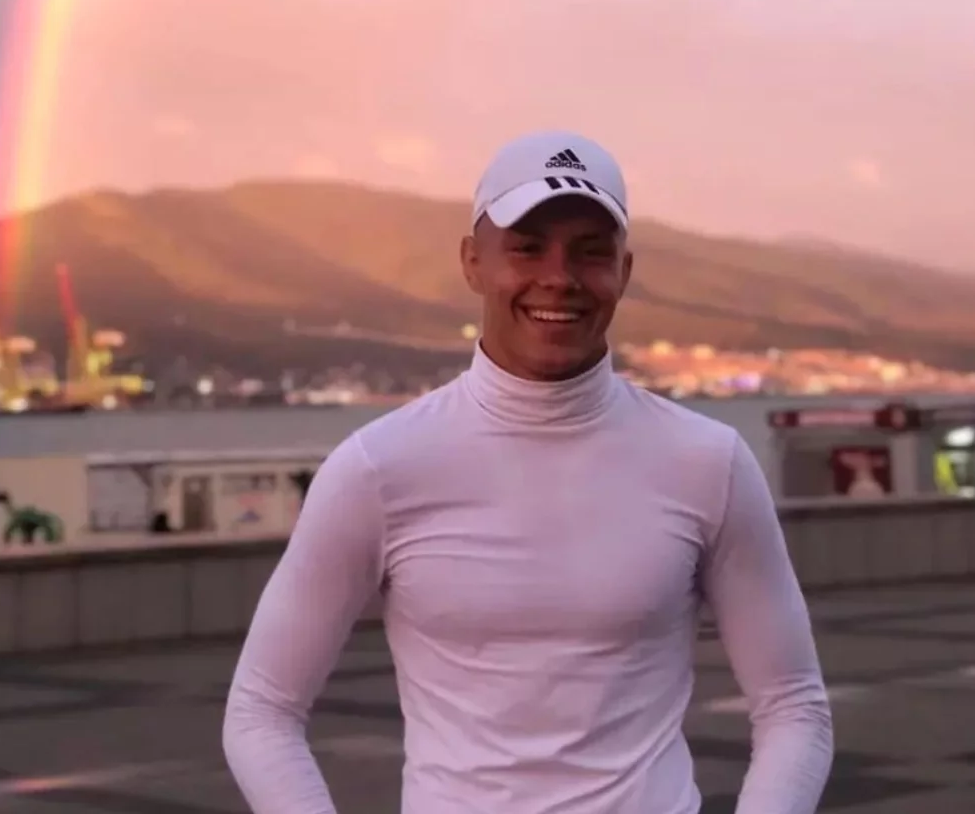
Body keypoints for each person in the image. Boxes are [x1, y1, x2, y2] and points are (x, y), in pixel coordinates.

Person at [223, 130, 834, 814]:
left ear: (624, 270)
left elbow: (794, 708)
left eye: (590, 251)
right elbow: (261, 711)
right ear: (472, 261)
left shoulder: (707, 461)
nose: (559, 277)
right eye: (527, 247)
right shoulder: (380, 467)